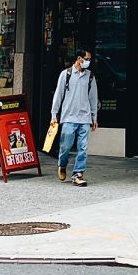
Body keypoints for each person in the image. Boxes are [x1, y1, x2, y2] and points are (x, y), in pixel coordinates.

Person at [50, 49, 98, 186]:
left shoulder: (90, 77)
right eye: (86, 59)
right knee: (65, 146)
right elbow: (58, 96)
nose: (88, 62)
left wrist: (94, 117)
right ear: (79, 58)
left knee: (83, 147)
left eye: (89, 59)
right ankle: (62, 164)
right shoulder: (66, 75)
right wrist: (54, 115)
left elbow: (93, 98)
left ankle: (78, 174)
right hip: (69, 116)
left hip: (84, 117)